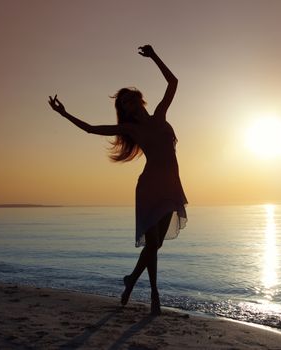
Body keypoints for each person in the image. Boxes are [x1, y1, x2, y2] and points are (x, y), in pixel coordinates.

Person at [48, 45, 188, 315]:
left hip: (170, 185)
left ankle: (131, 281)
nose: (129, 105)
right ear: (124, 110)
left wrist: (155, 56)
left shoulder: (160, 115)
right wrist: (64, 114)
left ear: (140, 100)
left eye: (131, 100)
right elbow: (91, 129)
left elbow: (173, 82)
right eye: (124, 104)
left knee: (155, 244)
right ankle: (155, 296)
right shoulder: (129, 129)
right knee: (152, 244)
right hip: (149, 188)